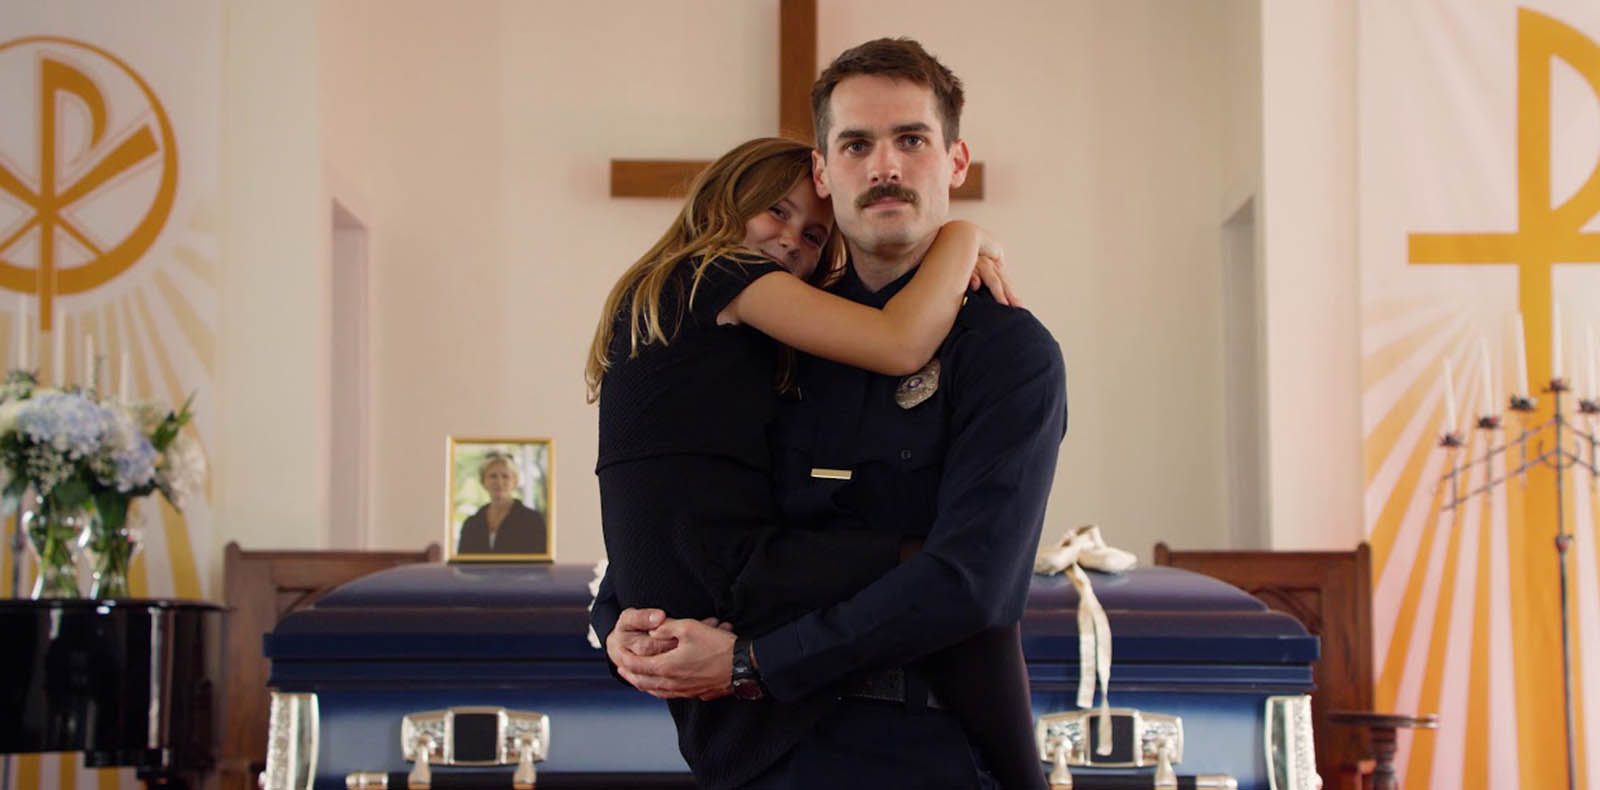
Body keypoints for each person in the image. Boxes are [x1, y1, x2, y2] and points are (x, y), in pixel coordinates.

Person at [594, 37, 1067, 789]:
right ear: (825, 169)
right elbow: (675, 489)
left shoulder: (1007, 350)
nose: (884, 166)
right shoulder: (775, 334)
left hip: (915, 749)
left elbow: (975, 583)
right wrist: (619, 621)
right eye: (856, 144)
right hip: (752, 752)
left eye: (911, 139)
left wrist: (754, 661)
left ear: (955, 162)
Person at [456, 454, 547, 555]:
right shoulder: (471, 524)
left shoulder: (532, 521)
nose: (499, 482)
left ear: (514, 482)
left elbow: (541, 560)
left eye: (505, 476)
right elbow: (462, 561)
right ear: (483, 481)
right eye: (493, 476)